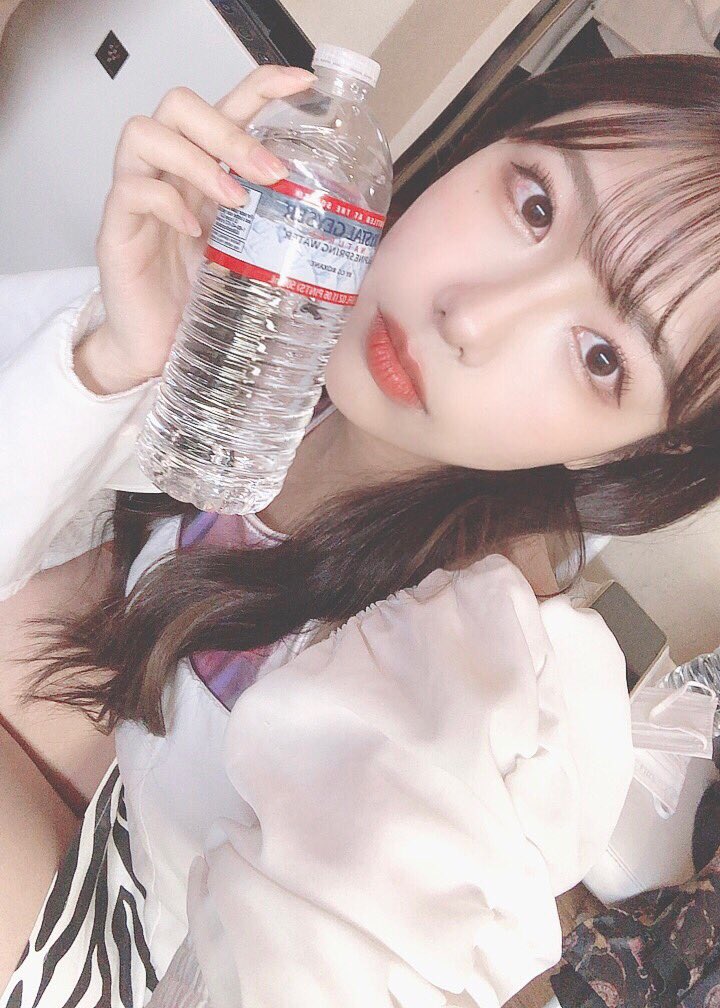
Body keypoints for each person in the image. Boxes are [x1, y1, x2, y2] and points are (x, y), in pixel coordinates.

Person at [1, 46, 720, 1006]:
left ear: (636, 453)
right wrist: (110, 360)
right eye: (535, 205)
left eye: (601, 359)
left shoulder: (469, 661)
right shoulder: (272, 354)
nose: (471, 317)